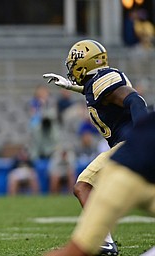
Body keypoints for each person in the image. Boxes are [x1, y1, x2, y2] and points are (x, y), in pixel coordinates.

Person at [43, 39, 148, 256]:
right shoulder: (100, 80)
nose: (72, 70)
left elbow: (136, 101)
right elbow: (97, 93)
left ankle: (103, 242)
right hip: (128, 144)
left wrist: (143, 137)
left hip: (129, 144)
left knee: (83, 185)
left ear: (84, 64)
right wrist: (70, 86)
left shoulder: (104, 83)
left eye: (74, 66)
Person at [43, 112, 155, 256]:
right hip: (127, 171)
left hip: (124, 168)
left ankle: (105, 242)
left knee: (75, 251)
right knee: (76, 250)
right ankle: (106, 241)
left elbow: (133, 101)